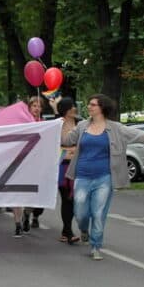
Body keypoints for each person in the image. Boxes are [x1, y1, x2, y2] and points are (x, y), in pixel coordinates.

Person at [62, 94, 144, 260]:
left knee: (98, 212)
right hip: (82, 175)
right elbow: (67, 140)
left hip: (104, 177)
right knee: (80, 211)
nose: (89, 107)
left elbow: (133, 133)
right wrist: (63, 122)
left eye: (93, 104)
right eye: (89, 104)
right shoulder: (82, 126)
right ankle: (84, 229)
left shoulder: (114, 128)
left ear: (102, 108)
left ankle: (96, 245)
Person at [13, 97, 44, 237]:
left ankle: (27, 213)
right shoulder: (20, 124)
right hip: (19, 163)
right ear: (29, 108)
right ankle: (18, 224)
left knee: (33, 196)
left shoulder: (44, 124)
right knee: (16, 195)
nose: (37, 108)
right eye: (34, 106)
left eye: (39, 106)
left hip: (36, 164)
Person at [56, 100, 80, 243]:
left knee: (78, 199)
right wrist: (68, 151)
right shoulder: (58, 124)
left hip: (78, 166)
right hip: (63, 167)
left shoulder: (80, 124)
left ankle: (68, 230)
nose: (75, 108)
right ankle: (68, 231)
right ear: (66, 109)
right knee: (67, 199)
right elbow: (52, 145)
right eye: (72, 106)